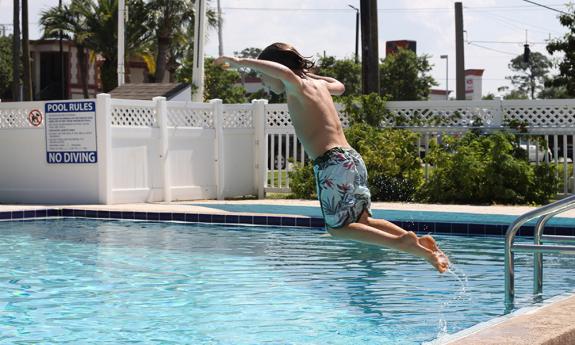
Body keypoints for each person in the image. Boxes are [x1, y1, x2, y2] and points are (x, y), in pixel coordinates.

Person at [215, 42, 449, 273]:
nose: (265, 80)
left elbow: (285, 73)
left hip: (332, 163)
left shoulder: (296, 85)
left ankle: (401, 244)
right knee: (363, 220)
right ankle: (418, 243)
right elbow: (340, 86)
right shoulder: (318, 86)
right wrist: (309, 74)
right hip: (352, 159)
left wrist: (240, 62)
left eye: (264, 74)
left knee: (337, 229)